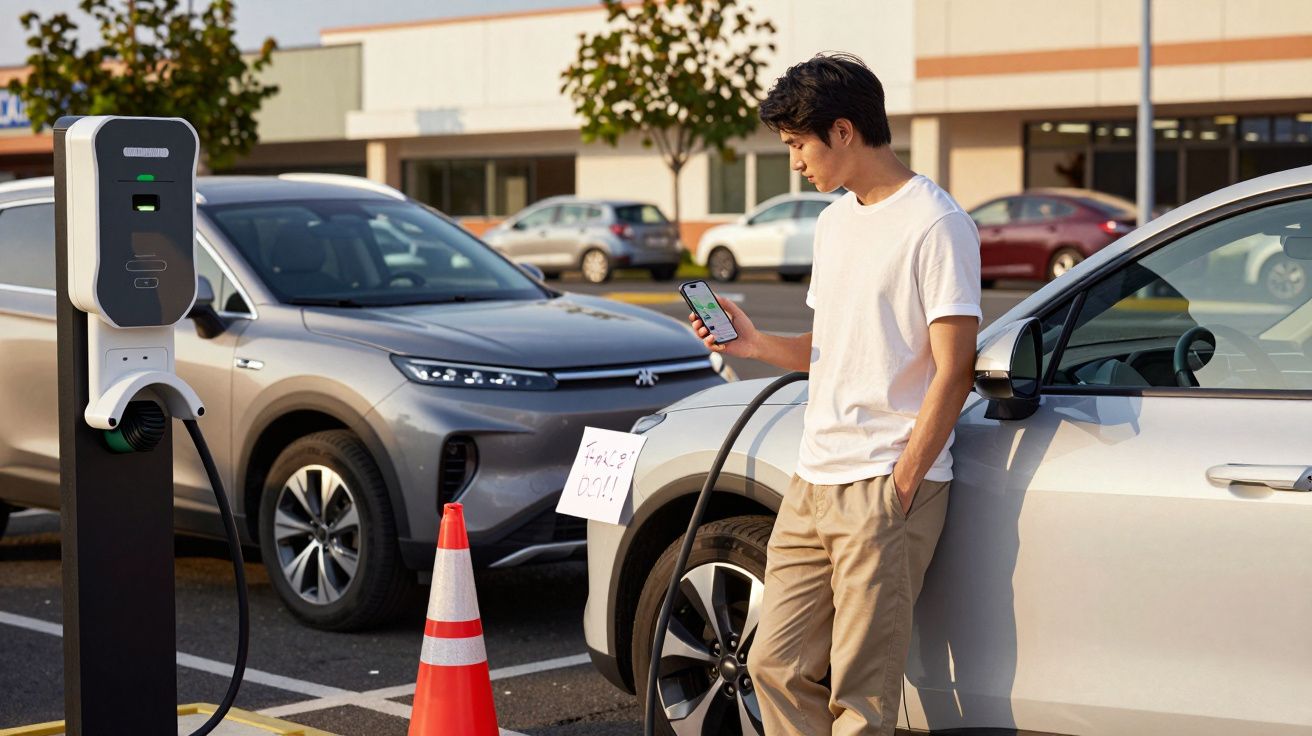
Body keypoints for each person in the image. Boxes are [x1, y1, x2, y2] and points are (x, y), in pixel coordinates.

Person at [689, 52, 981, 735]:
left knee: (863, 698)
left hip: (882, 485)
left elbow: (954, 369)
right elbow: (835, 351)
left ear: (843, 131)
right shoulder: (835, 221)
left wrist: (901, 484)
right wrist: (754, 343)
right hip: (812, 480)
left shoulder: (936, 225)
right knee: (772, 667)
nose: (795, 162)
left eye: (797, 145)